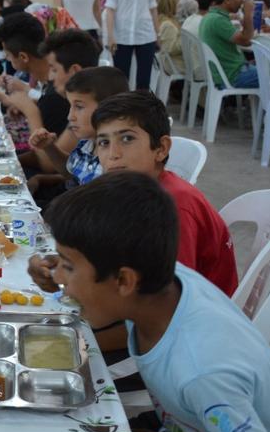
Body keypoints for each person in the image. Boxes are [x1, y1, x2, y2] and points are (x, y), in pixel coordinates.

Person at [0, 171, 270, 432]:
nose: (61, 278)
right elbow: (105, 286)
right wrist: (61, 273)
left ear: (125, 280)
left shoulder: (202, 372)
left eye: (69, 266)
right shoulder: (162, 280)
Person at [93, 91, 238, 297]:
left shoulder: (173, 206)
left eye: (126, 139)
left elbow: (169, 297)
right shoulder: (135, 189)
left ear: (161, 148)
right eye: (104, 142)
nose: (113, 154)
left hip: (191, 316)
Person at [28, 66, 130, 187]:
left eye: (79, 107)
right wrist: (50, 148)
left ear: (109, 108)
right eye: (70, 106)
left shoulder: (114, 161)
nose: (70, 116)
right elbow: (72, 171)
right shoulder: (87, 143)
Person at [199, 0, 258, 88]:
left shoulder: (210, 16)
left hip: (226, 72)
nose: (243, 0)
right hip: (232, 76)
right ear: (227, 0)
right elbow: (247, 41)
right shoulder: (217, 20)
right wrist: (248, 14)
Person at [156, 0, 186, 75]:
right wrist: (184, 41)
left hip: (170, 64)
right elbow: (170, 49)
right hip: (175, 66)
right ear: (172, 5)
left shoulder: (160, 21)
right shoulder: (168, 25)